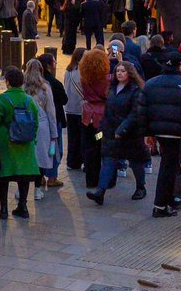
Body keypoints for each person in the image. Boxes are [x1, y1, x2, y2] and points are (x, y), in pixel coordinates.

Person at [87, 62, 147, 205]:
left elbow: (134, 114)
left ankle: (141, 187)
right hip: (111, 131)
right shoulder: (113, 89)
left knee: (135, 161)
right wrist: (100, 130)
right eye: (118, 71)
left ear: (130, 73)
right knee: (108, 160)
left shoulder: (136, 90)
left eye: (123, 71)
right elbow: (107, 112)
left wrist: (122, 129)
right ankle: (100, 191)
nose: (119, 73)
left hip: (129, 133)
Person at [143, 51, 181, 217]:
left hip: (159, 131)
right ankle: (160, 205)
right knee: (169, 168)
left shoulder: (151, 84)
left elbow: (143, 110)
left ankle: (170, 198)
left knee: (170, 165)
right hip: (178, 133)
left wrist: (148, 133)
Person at [0, 66, 40, 219]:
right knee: (24, 176)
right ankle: (23, 206)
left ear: (7, 82)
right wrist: (33, 138)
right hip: (25, 142)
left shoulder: (2, 99)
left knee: (3, 175)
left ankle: (3, 209)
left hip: (6, 141)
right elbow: (35, 121)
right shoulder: (29, 100)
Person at [24, 58, 60, 193]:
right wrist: (54, 132)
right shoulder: (45, 87)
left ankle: (23, 189)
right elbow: (51, 111)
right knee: (42, 157)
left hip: (26, 125)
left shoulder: (23, 87)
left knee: (28, 157)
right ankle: (37, 188)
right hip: (43, 125)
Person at [79, 48, 111, 190]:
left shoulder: (84, 78)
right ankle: (102, 178)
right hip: (100, 118)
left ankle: (90, 179)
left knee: (89, 147)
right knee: (100, 146)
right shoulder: (106, 80)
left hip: (88, 117)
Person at [63, 49, 86, 171]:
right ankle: (82, 160)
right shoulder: (82, 72)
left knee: (72, 137)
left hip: (69, 108)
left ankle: (72, 162)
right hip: (81, 109)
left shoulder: (68, 70)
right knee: (83, 136)